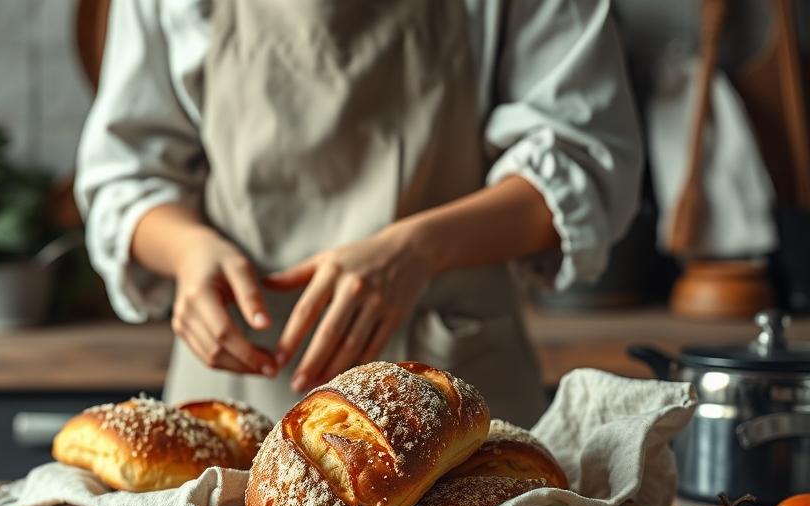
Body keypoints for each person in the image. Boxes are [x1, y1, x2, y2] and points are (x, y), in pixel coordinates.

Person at [75, 0, 642, 426]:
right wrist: (189, 251)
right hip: (233, 392)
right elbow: (126, 174)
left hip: (450, 389)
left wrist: (420, 249)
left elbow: (586, 162)